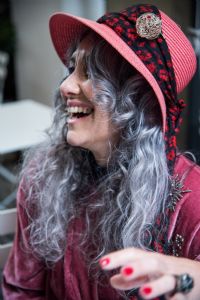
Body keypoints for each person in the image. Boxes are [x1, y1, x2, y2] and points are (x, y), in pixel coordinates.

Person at [2, 3, 200, 300]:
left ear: (137, 100)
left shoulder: (190, 202)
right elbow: (22, 290)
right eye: (72, 69)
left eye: (91, 72)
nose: (65, 86)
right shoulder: (44, 176)